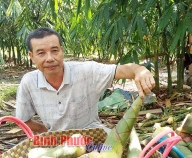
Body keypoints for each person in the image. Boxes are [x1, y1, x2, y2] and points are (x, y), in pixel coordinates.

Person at [15, 27, 155, 134]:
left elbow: (121, 70)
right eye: (41, 53)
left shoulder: (86, 71)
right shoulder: (28, 82)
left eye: (55, 50)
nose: (50, 58)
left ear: (62, 51)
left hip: (94, 137)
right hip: (58, 142)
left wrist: (139, 70)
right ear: (31, 56)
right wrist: (49, 132)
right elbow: (23, 121)